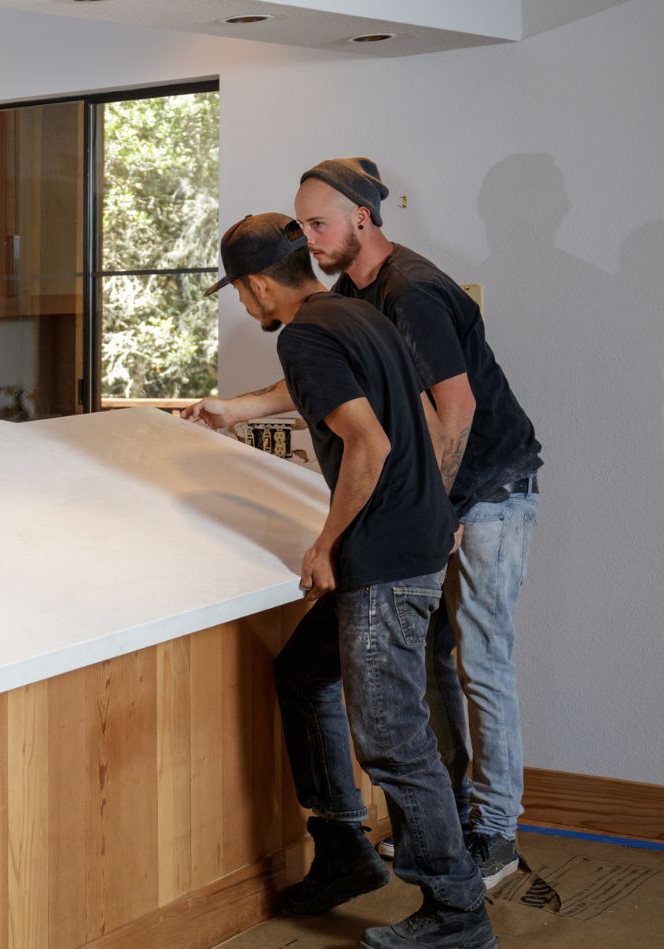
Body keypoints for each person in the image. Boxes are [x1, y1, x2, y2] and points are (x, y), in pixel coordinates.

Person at [187, 158, 541, 890]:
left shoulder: (410, 292)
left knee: (478, 661)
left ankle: (493, 836)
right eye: (301, 227)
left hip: (488, 489)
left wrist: (429, 511)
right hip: (424, 506)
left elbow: (454, 411)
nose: (309, 239)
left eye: (318, 224)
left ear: (363, 217)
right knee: (418, 671)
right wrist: (237, 408)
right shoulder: (348, 299)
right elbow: (345, 382)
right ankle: (425, 837)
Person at [204, 213, 494, 949]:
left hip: (383, 556)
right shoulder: (351, 313)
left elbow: (368, 443)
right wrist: (234, 409)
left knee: (393, 738)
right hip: (417, 536)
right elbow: (371, 407)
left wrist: (326, 543)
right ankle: (341, 845)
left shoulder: (305, 335)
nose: (243, 305)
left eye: (240, 291)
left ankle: (455, 911)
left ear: (258, 283)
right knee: (303, 673)